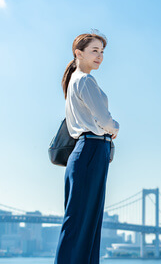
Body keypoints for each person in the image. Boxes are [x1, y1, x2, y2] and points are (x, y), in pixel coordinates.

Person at [54, 31, 119, 264]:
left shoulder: (74, 81)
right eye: (94, 50)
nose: (100, 56)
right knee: (83, 223)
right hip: (91, 150)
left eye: (102, 52)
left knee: (81, 222)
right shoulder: (85, 80)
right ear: (78, 53)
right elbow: (104, 120)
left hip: (85, 152)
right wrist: (115, 128)